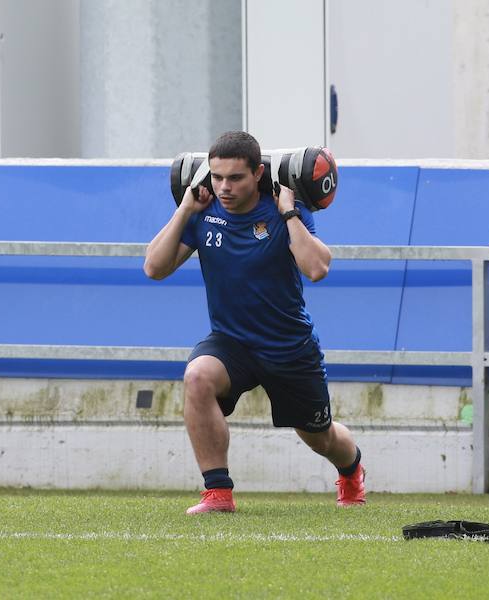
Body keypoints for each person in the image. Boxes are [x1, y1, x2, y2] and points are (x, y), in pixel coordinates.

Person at [144, 131, 365, 514]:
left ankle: (351, 469)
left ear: (258, 173)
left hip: (288, 346)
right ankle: (218, 493)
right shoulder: (204, 213)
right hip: (232, 343)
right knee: (197, 378)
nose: (224, 187)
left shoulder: (285, 212)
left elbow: (317, 268)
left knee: (321, 438)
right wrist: (184, 210)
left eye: (235, 178)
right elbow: (154, 268)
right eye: (216, 177)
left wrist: (290, 212)